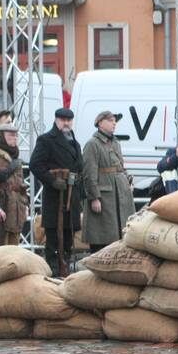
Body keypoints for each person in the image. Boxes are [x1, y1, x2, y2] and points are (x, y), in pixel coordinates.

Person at [29, 108, 84, 275]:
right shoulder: (46, 140)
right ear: (56, 120)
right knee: (53, 236)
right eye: (62, 120)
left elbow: (79, 167)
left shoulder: (75, 142)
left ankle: (65, 266)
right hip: (55, 197)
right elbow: (35, 165)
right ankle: (53, 269)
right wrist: (52, 181)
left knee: (68, 235)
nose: (66, 123)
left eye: (69, 120)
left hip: (71, 195)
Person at [82, 110, 136, 252]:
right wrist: (94, 197)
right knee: (102, 236)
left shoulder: (115, 142)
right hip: (105, 196)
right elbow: (89, 173)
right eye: (110, 120)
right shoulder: (92, 144)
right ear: (100, 123)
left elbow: (120, 166)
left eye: (115, 121)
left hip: (120, 193)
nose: (114, 123)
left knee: (120, 234)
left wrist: (127, 182)